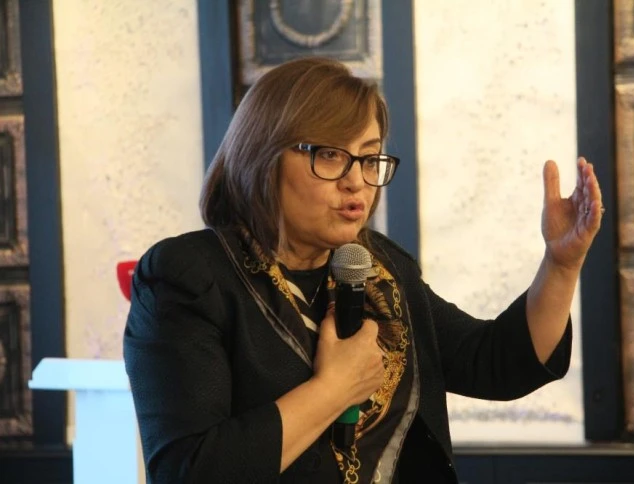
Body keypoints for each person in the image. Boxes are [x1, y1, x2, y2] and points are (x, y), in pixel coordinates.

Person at [123, 56, 603, 484]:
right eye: (331, 154)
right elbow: (190, 470)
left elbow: (495, 363)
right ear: (264, 155)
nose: (357, 181)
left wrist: (561, 264)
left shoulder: (379, 269)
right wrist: (334, 389)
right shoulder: (188, 277)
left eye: (370, 157)